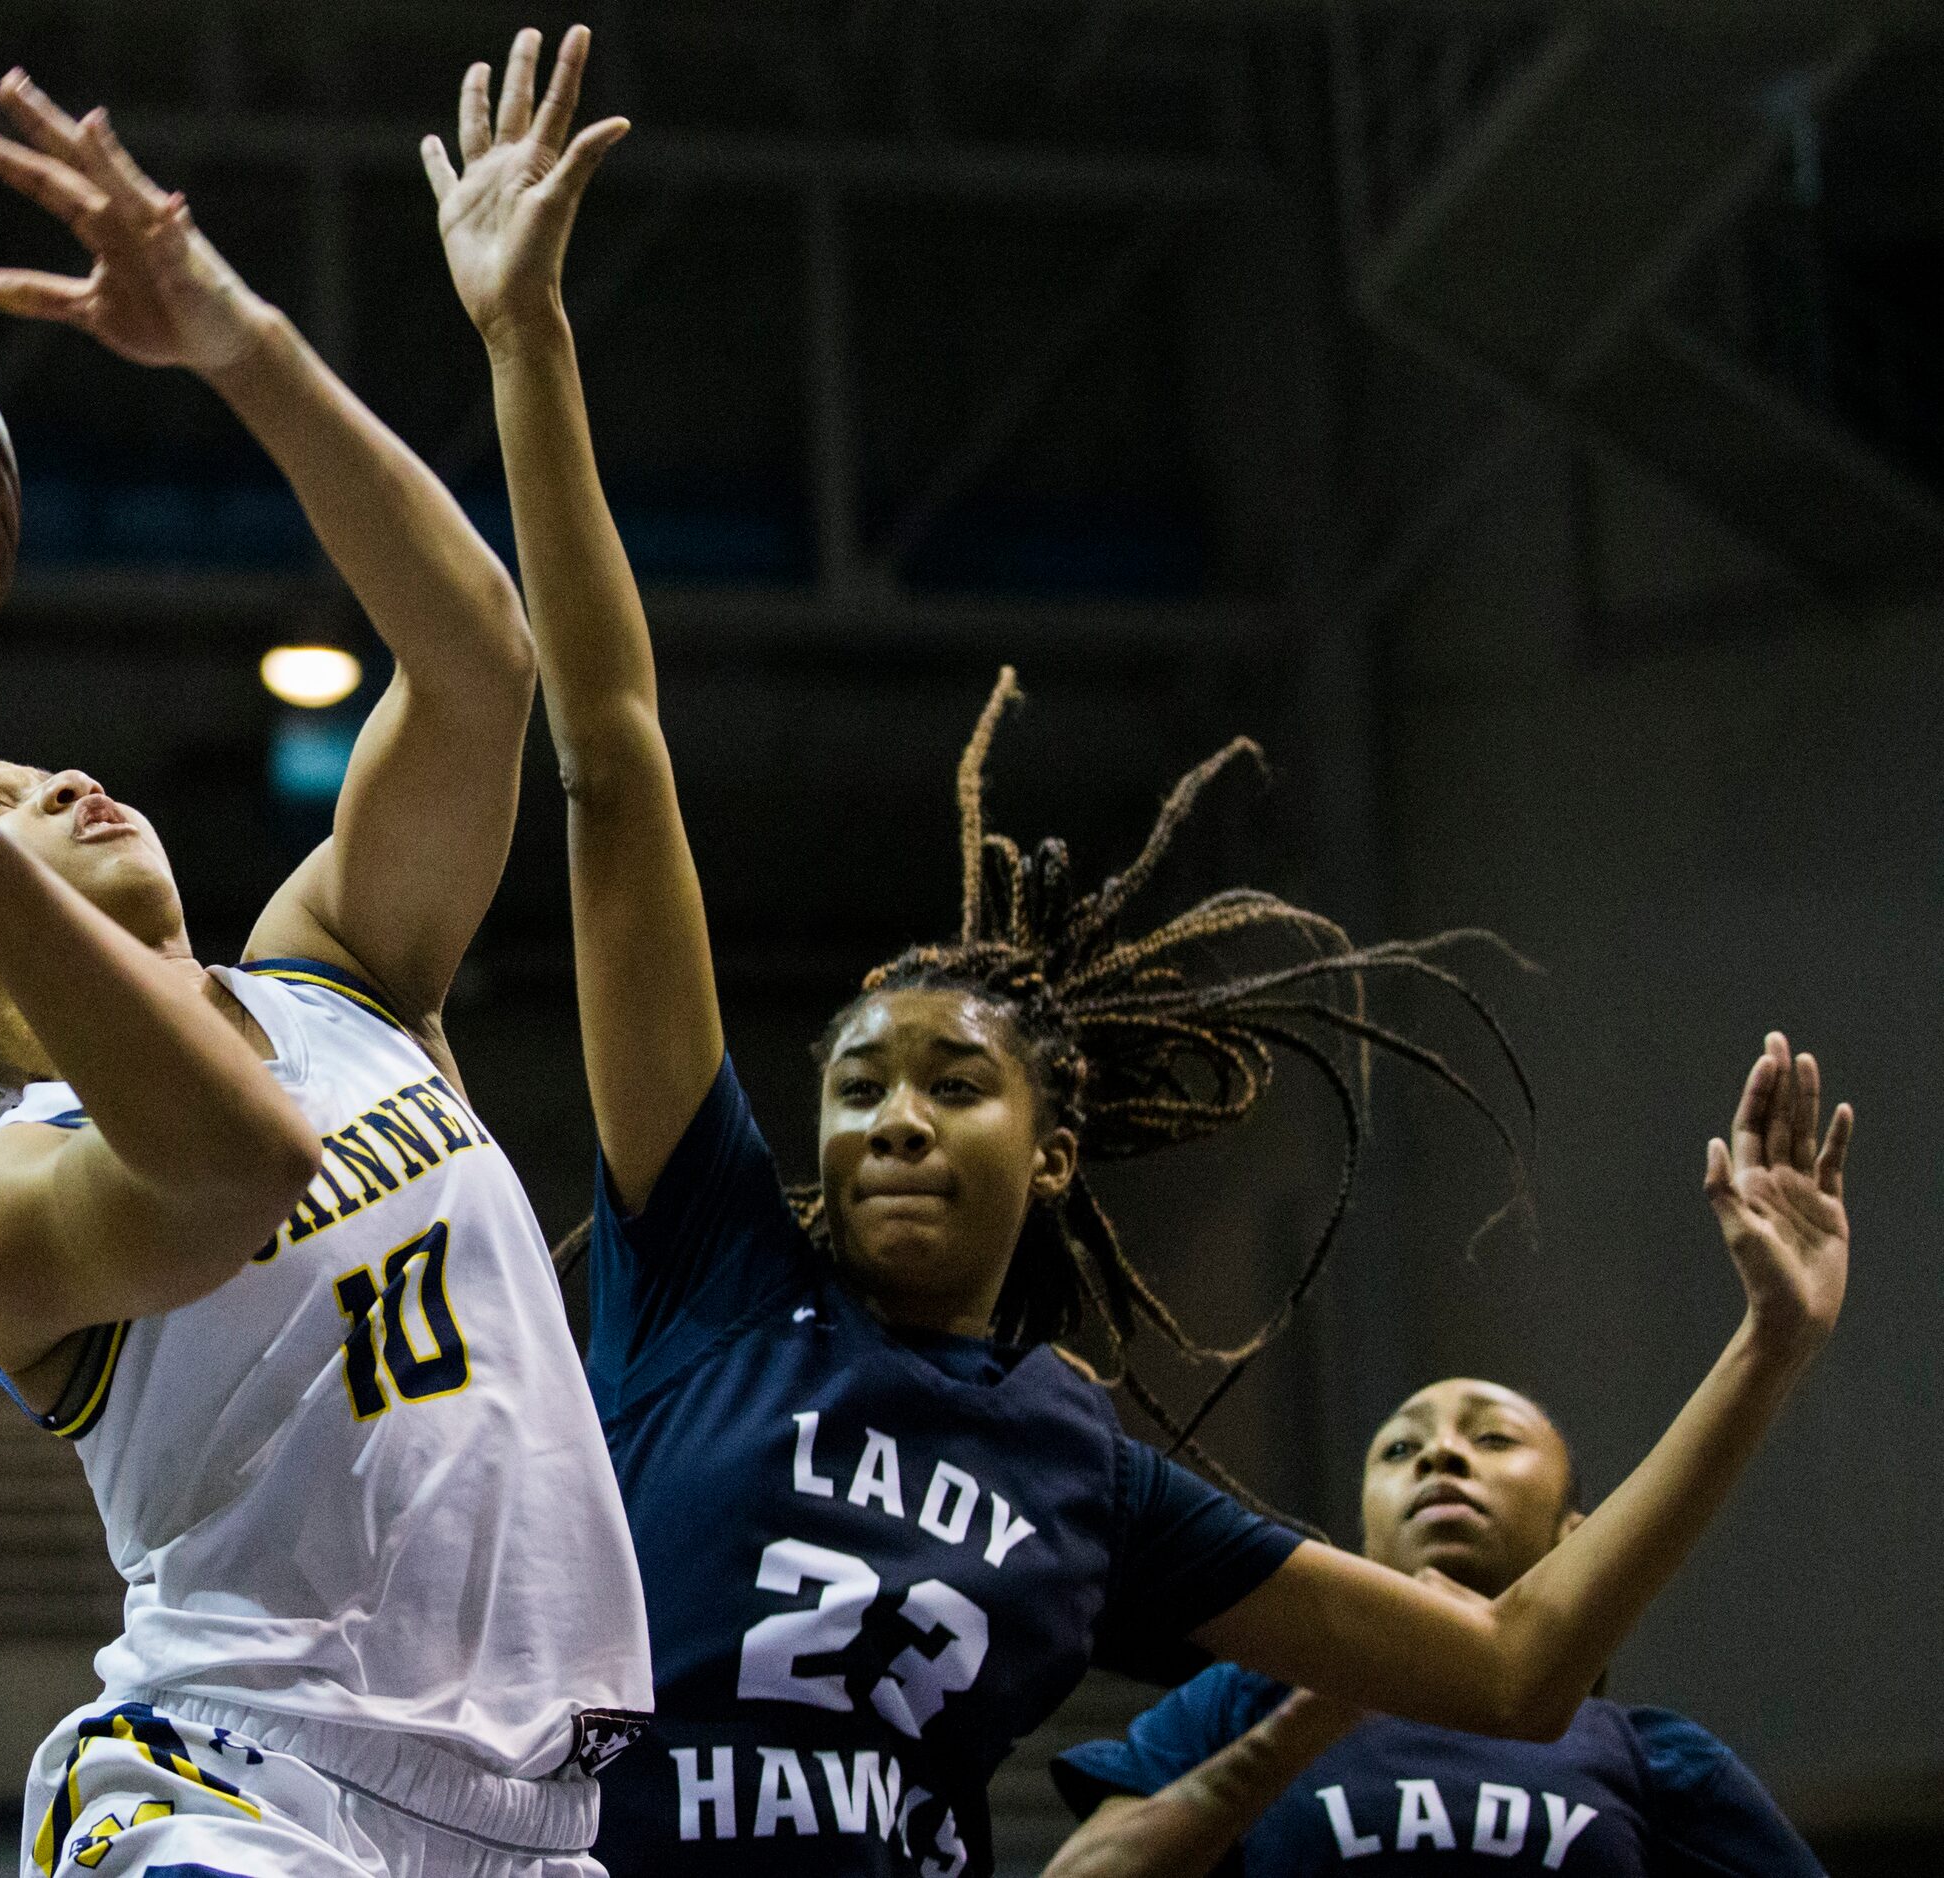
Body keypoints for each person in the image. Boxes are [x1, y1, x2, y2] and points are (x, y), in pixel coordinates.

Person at [421, 23, 1856, 1878]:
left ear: (1056, 1140)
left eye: (953, 1081)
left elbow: (1511, 1662)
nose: (892, 1122)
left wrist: (1770, 1340)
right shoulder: (705, 1266)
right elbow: (611, 760)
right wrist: (527, 337)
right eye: (854, 1085)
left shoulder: (1080, 1465)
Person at [0, 68, 651, 1878]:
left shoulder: (341, 975)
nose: (55, 781)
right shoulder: (0, 1198)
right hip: (230, 1788)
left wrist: (237, 338)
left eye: (6, 774)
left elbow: (480, 655)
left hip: (535, 1825)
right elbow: (236, 1159)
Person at [1048, 1377, 1825, 1875]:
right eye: (1400, 1448)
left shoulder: (1649, 1757)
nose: (1441, 1455)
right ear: (1360, 1548)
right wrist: (1313, 1714)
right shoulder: (1239, 1703)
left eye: (1491, 1438)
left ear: (1580, 1540)